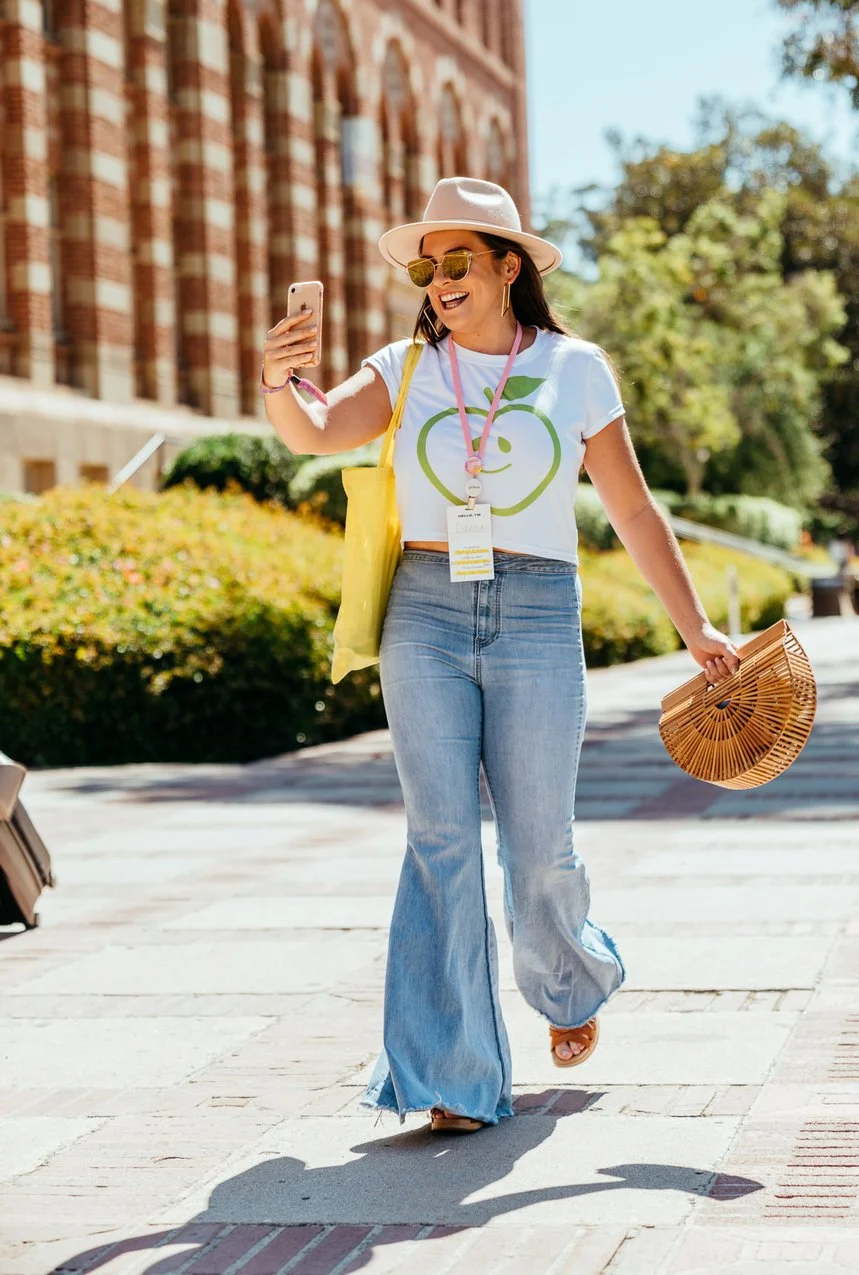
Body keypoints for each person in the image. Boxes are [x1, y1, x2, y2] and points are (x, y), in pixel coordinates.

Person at [260, 177, 740, 1132]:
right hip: (424, 614)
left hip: (536, 610)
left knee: (537, 844)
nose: (438, 281)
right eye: (427, 267)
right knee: (439, 839)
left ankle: (570, 980)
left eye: (459, 262)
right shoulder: (401, 367)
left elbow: (634, 508)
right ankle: (453, 1075)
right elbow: (313, 430)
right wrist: (279, 377)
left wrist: (696, 629)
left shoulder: (575, 368)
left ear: (509, 266)